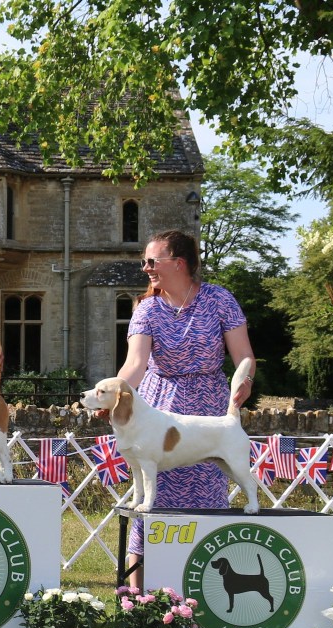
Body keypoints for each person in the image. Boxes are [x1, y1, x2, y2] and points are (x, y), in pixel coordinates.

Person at [117, 229, 256, 588]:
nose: (145, 268)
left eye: (152, 261)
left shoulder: (220, 299)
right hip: (158, 411)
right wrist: (115, 393)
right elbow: (135, 364)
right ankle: (137, 598)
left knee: (207, 500)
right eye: (144, 261)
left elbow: (244, 356)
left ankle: (201, 592)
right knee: (150, 500)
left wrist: (245, 379)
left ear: (178, 263)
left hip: (210, 415)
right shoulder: (146, 309)